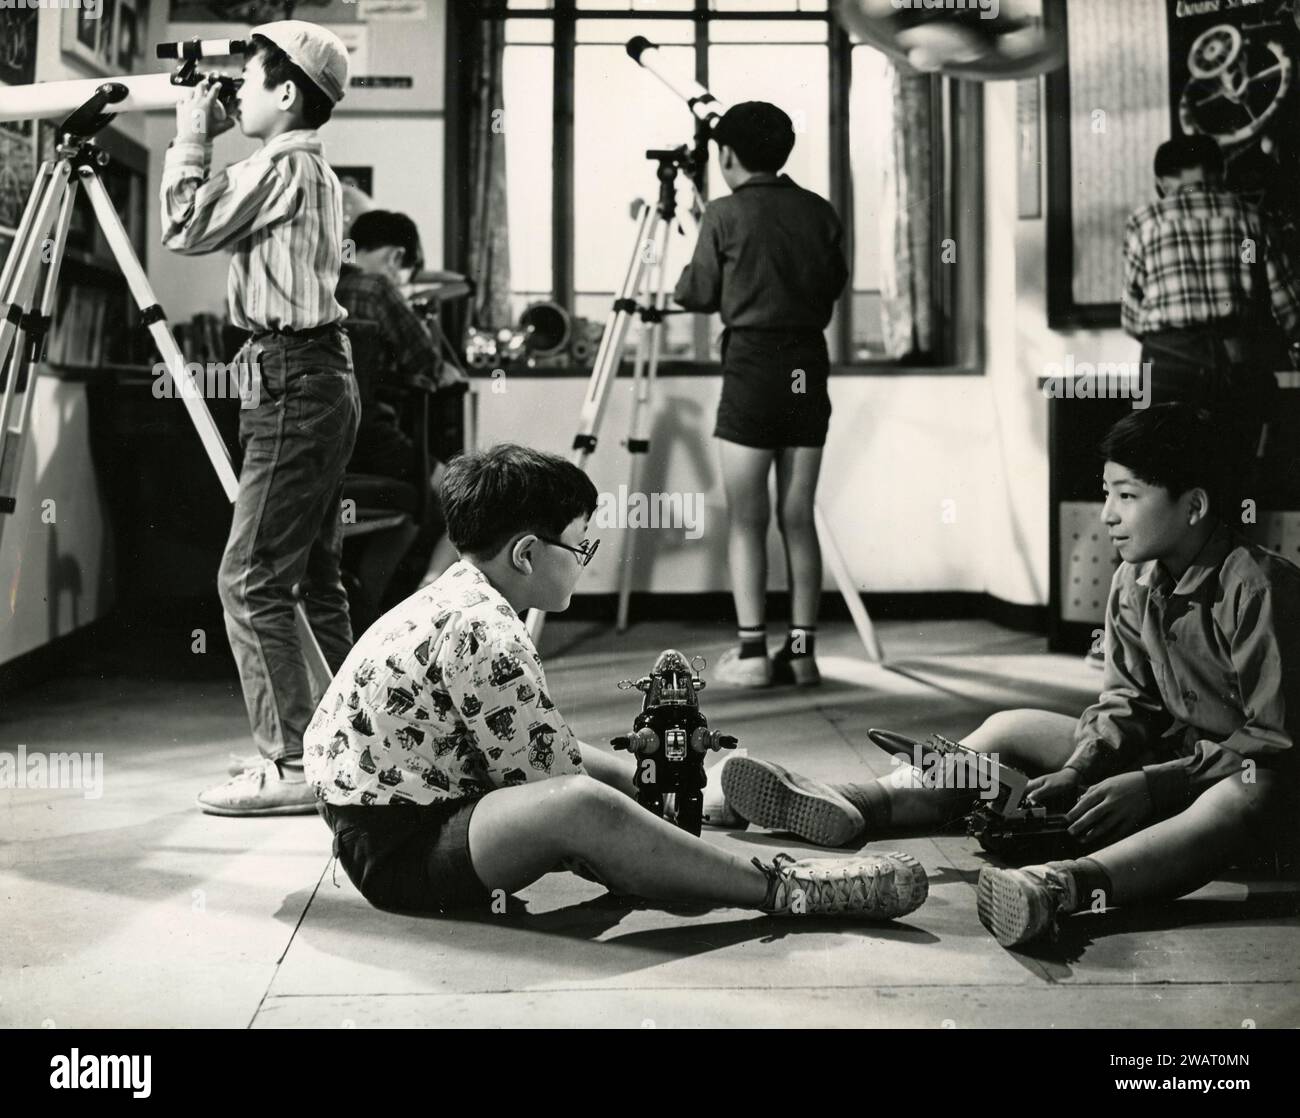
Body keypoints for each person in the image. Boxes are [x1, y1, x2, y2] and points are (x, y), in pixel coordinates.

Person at [710, 405, 1300, 947]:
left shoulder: (1257, 586)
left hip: (1264, 786)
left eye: (1128, 495)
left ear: (1193, 506)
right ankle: (857, 802)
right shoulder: (1134, 581)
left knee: (1249, 789)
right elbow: (1127, 704)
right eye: (1106, 493)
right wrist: (1080, 768)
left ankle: (1059, 887)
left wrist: (1155, 785)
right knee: (1011, 726)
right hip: (1178, 761)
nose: (1108, 515)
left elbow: (1271, 742)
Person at [303, 444, 929, 921]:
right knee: (580, 804)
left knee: (579, 762)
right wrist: (637, 844)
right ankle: (779, 884)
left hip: (388, 820)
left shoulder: (454, 595)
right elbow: (553, 793)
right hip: (402, 854)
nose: (585, 560)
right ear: (526, 554)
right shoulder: (487, 634)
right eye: (580, 546)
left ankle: (699, 798)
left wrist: (651, 791)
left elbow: (540, 749)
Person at [161, 22, 360, 816]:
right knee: (312, 580)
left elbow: (182, 228)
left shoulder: (283, 168)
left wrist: (187, 137)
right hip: (309, 374)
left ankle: (292, 762)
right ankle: (354, 740)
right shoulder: (305, 170)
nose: (232, 94)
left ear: (286, 94)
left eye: (245, 82)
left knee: (248, 579)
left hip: (292, 377)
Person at [673, 102, 848, 690]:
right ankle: (802, 656)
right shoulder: (820, 211)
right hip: (806, 363)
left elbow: (696, 292)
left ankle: (751, 654)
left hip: (751, 366)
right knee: (798, 517)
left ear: (725, 155)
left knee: (747, 519)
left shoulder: (722, 213)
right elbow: (833, 284)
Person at [1122, 135, 1300, 502]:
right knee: (1231, 477)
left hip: (1168, 363)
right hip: (1236, 361)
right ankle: (1227, 557)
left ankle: (1166, 558)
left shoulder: (1145, 221)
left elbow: (1131, 316)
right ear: (1219, 173)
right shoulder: (1251, 218)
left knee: (1159, 482)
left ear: (1163, 183)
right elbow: (1288, 308)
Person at [337, 209, 464, 589]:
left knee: (410, 509)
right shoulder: (376, 286)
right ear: (395, 257)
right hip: (371, 437)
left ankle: (368, 605)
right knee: (465, 502)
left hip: (324, 440)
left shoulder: (321, 281)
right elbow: (429, 365)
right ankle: (426, 592)